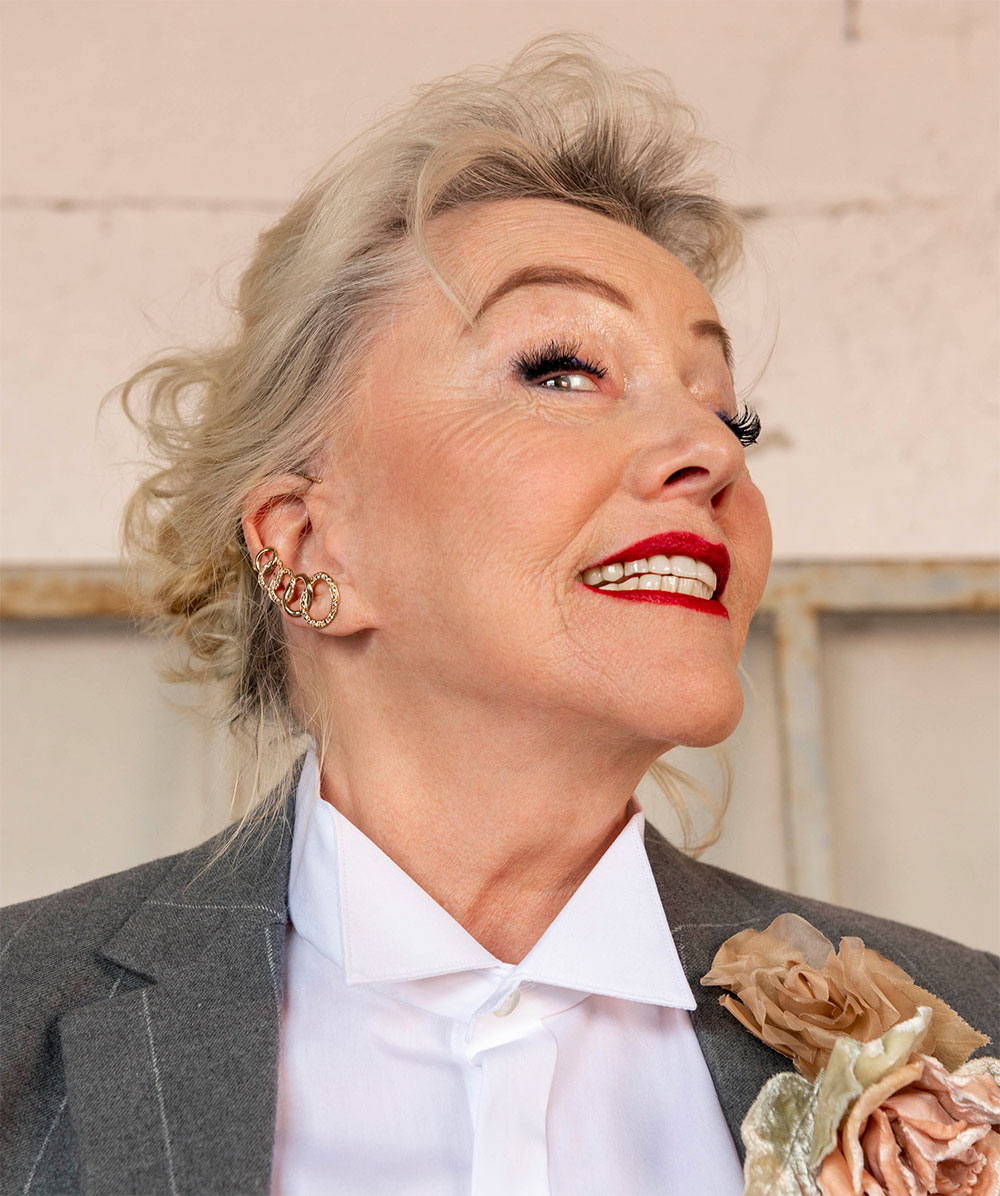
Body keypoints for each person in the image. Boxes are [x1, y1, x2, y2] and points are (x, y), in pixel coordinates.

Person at [2, 37, 996, 1196]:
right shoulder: (24, 1017)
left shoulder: (969, 1033)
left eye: (731, 416)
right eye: (561, 368)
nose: (707, 452)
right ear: (306, 544)